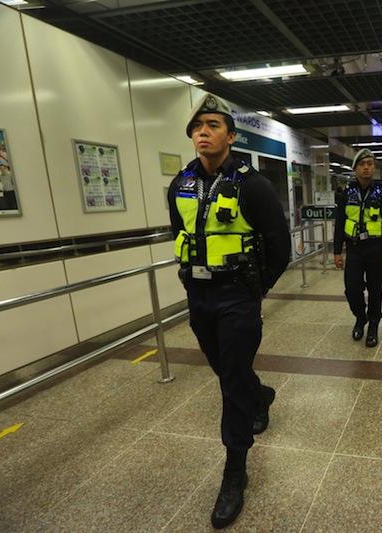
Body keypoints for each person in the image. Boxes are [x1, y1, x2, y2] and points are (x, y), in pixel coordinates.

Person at [167, 93, 291, 529]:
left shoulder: (251, 184)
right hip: (199, 295)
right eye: (197, 126)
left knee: (231, 380)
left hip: (237, 295)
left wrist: (256, 290)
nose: (203, 131)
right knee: (225, 370)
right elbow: (180, 232)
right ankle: (261, 395)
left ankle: (234, 471)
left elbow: (280, 245)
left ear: (231, 136)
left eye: (213, 125)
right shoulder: (180, 183)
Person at [333, 148, 382, 347]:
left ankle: (373, 324)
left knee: (375, 290)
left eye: (370, 164)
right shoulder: (346, 194)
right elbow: (339, 223)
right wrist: (337, 251)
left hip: (377, 250)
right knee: (352, 289)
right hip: (354, 249)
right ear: (355, 168)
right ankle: (360, 317)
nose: (366, 168)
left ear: (374, 167)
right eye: (362, 164)